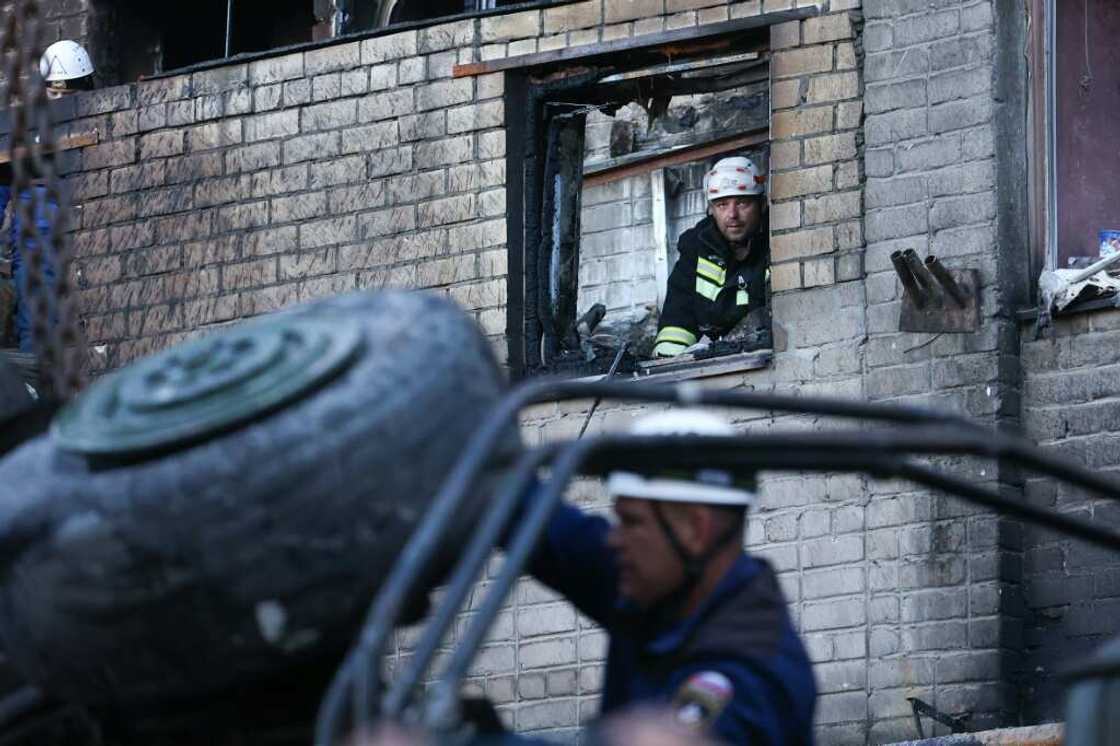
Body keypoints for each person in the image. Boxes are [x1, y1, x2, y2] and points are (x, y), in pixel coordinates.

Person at [522, 410, 816, 745]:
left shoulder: (751, 672)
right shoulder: (654, 583)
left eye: (631, 522)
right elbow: (537, 523)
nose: (613, 540)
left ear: (694, 530)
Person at [0, 40, 93, 351]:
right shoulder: (23, 132)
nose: (60, 103)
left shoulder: (95, 123)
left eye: (68, 96)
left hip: (87, 240)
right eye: (54, 94)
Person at [653, 157, 770, 358]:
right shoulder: (695, 250)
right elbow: (677, 322)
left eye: (742, 203)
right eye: (722, 204)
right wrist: (669, 365)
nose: (732, 214)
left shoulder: (779, 240)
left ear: (762, 205)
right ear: (711, 210)